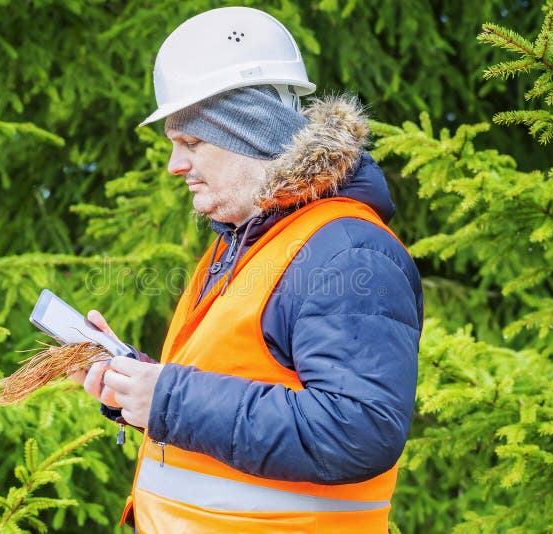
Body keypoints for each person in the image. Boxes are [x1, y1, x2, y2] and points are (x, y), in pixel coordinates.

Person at [73, 6, 423, 533]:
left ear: (256, 135)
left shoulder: (348, 252)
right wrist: (134, 383)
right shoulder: (244, 243)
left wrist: (167, 398)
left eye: (192, 143)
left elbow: (359, 430)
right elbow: (235, 381)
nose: (175, 165)